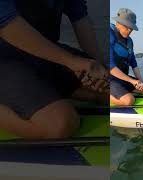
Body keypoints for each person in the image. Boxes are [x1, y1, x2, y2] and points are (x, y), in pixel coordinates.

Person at [0, 0, 108, 139]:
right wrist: (71, 62)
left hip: (45, 53)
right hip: (5, 58)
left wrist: (98, 68)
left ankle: (52, 91)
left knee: (110, 90)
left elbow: (80, 18)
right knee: (60, 125)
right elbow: (5, 24)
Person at [110, 8, 143, 106]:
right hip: (110, 79)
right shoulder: (110, 34)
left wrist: (140, 81)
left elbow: (133, 63)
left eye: (131, 27)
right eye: (126, 26)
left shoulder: (129, 42)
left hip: (123, 79)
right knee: (129, 101)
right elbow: (110, 65)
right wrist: (132, 81)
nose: (129, 29)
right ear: (117, 23)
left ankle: (123, 92)